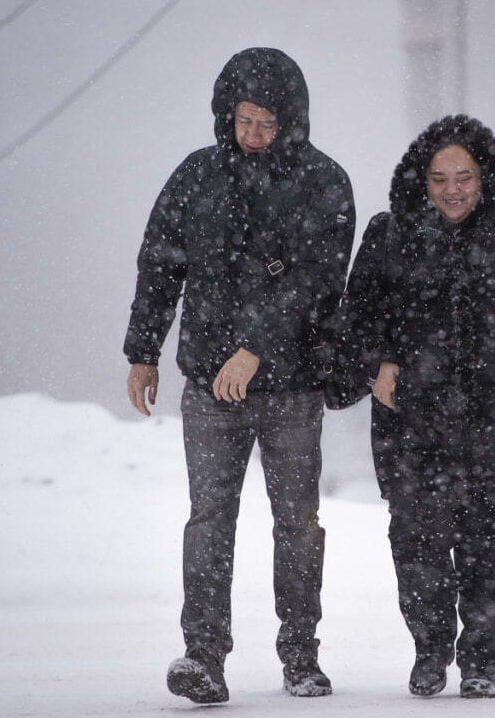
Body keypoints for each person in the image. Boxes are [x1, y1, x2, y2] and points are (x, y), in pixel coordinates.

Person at [122, 47, 355, 704]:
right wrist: (142, 349)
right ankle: (204, 656)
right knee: (209, 521)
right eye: (243, 120)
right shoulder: (197, 177)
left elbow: (317, 283)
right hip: (209, 390)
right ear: (227, 114)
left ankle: (300, 654)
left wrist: (256, 348)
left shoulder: (323, 183)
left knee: (299, 523)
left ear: (292, 124)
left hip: (292, 389)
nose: (252, 135)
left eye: (266, 124)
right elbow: (160, 265)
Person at [337, 114, 495, 699]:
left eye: (465, 177)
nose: (453, 190)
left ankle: (482, 656)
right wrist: (376, 365)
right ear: (420, 180)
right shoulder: (390, 234)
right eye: (440, 177)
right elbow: (354, 318)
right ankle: (429, 650)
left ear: (485, 177)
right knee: (416, 539)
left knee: (489, 543)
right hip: (412, 420)